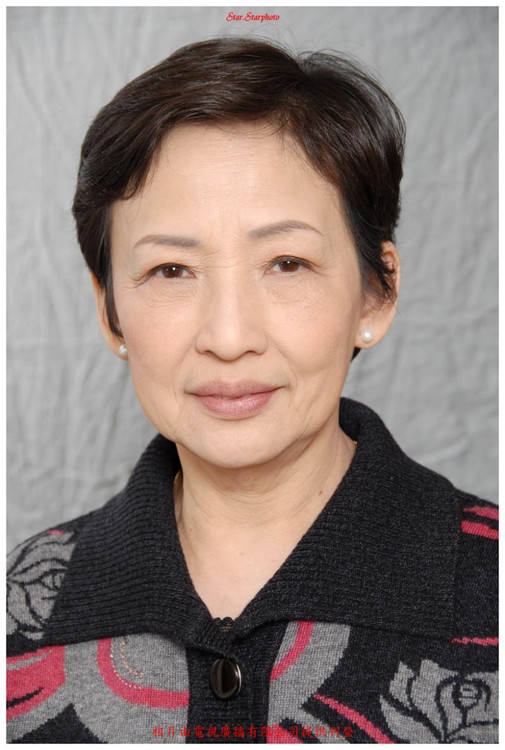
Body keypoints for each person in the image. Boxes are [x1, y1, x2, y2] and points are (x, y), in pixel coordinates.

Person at [7, 37, 497, 744]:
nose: (229, 336)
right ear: (108, 309)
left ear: (376, 292)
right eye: (171, 271)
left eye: (286, 263)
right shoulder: (21, 607)